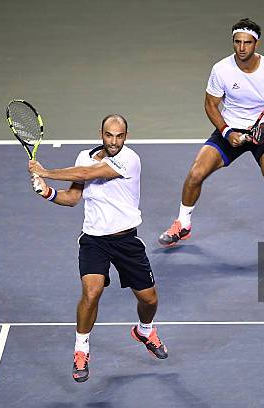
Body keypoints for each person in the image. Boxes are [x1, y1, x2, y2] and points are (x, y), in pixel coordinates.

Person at [28, 114, 168, 383]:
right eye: (109, 135)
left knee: (149, 300)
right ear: (101, 134)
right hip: (94, 240)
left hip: (127, 241)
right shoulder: (84, 156)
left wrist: (46, 172)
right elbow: (72, 198)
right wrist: (47, 192)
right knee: (91, 293)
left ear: (126, 136)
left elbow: (88, 173)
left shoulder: (129, 160)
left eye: (119, 136)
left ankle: (145, 330)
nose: (114, 141)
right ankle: (81, 350)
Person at [159, 18, 264, 253]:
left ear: (256, 43)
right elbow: (210, 105)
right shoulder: (221, 69)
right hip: (230, 129)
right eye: (237, 42)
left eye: (247, 42)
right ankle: (183, 224)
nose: (241, 48)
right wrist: (227, 132)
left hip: (262, 132)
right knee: (196, 173)